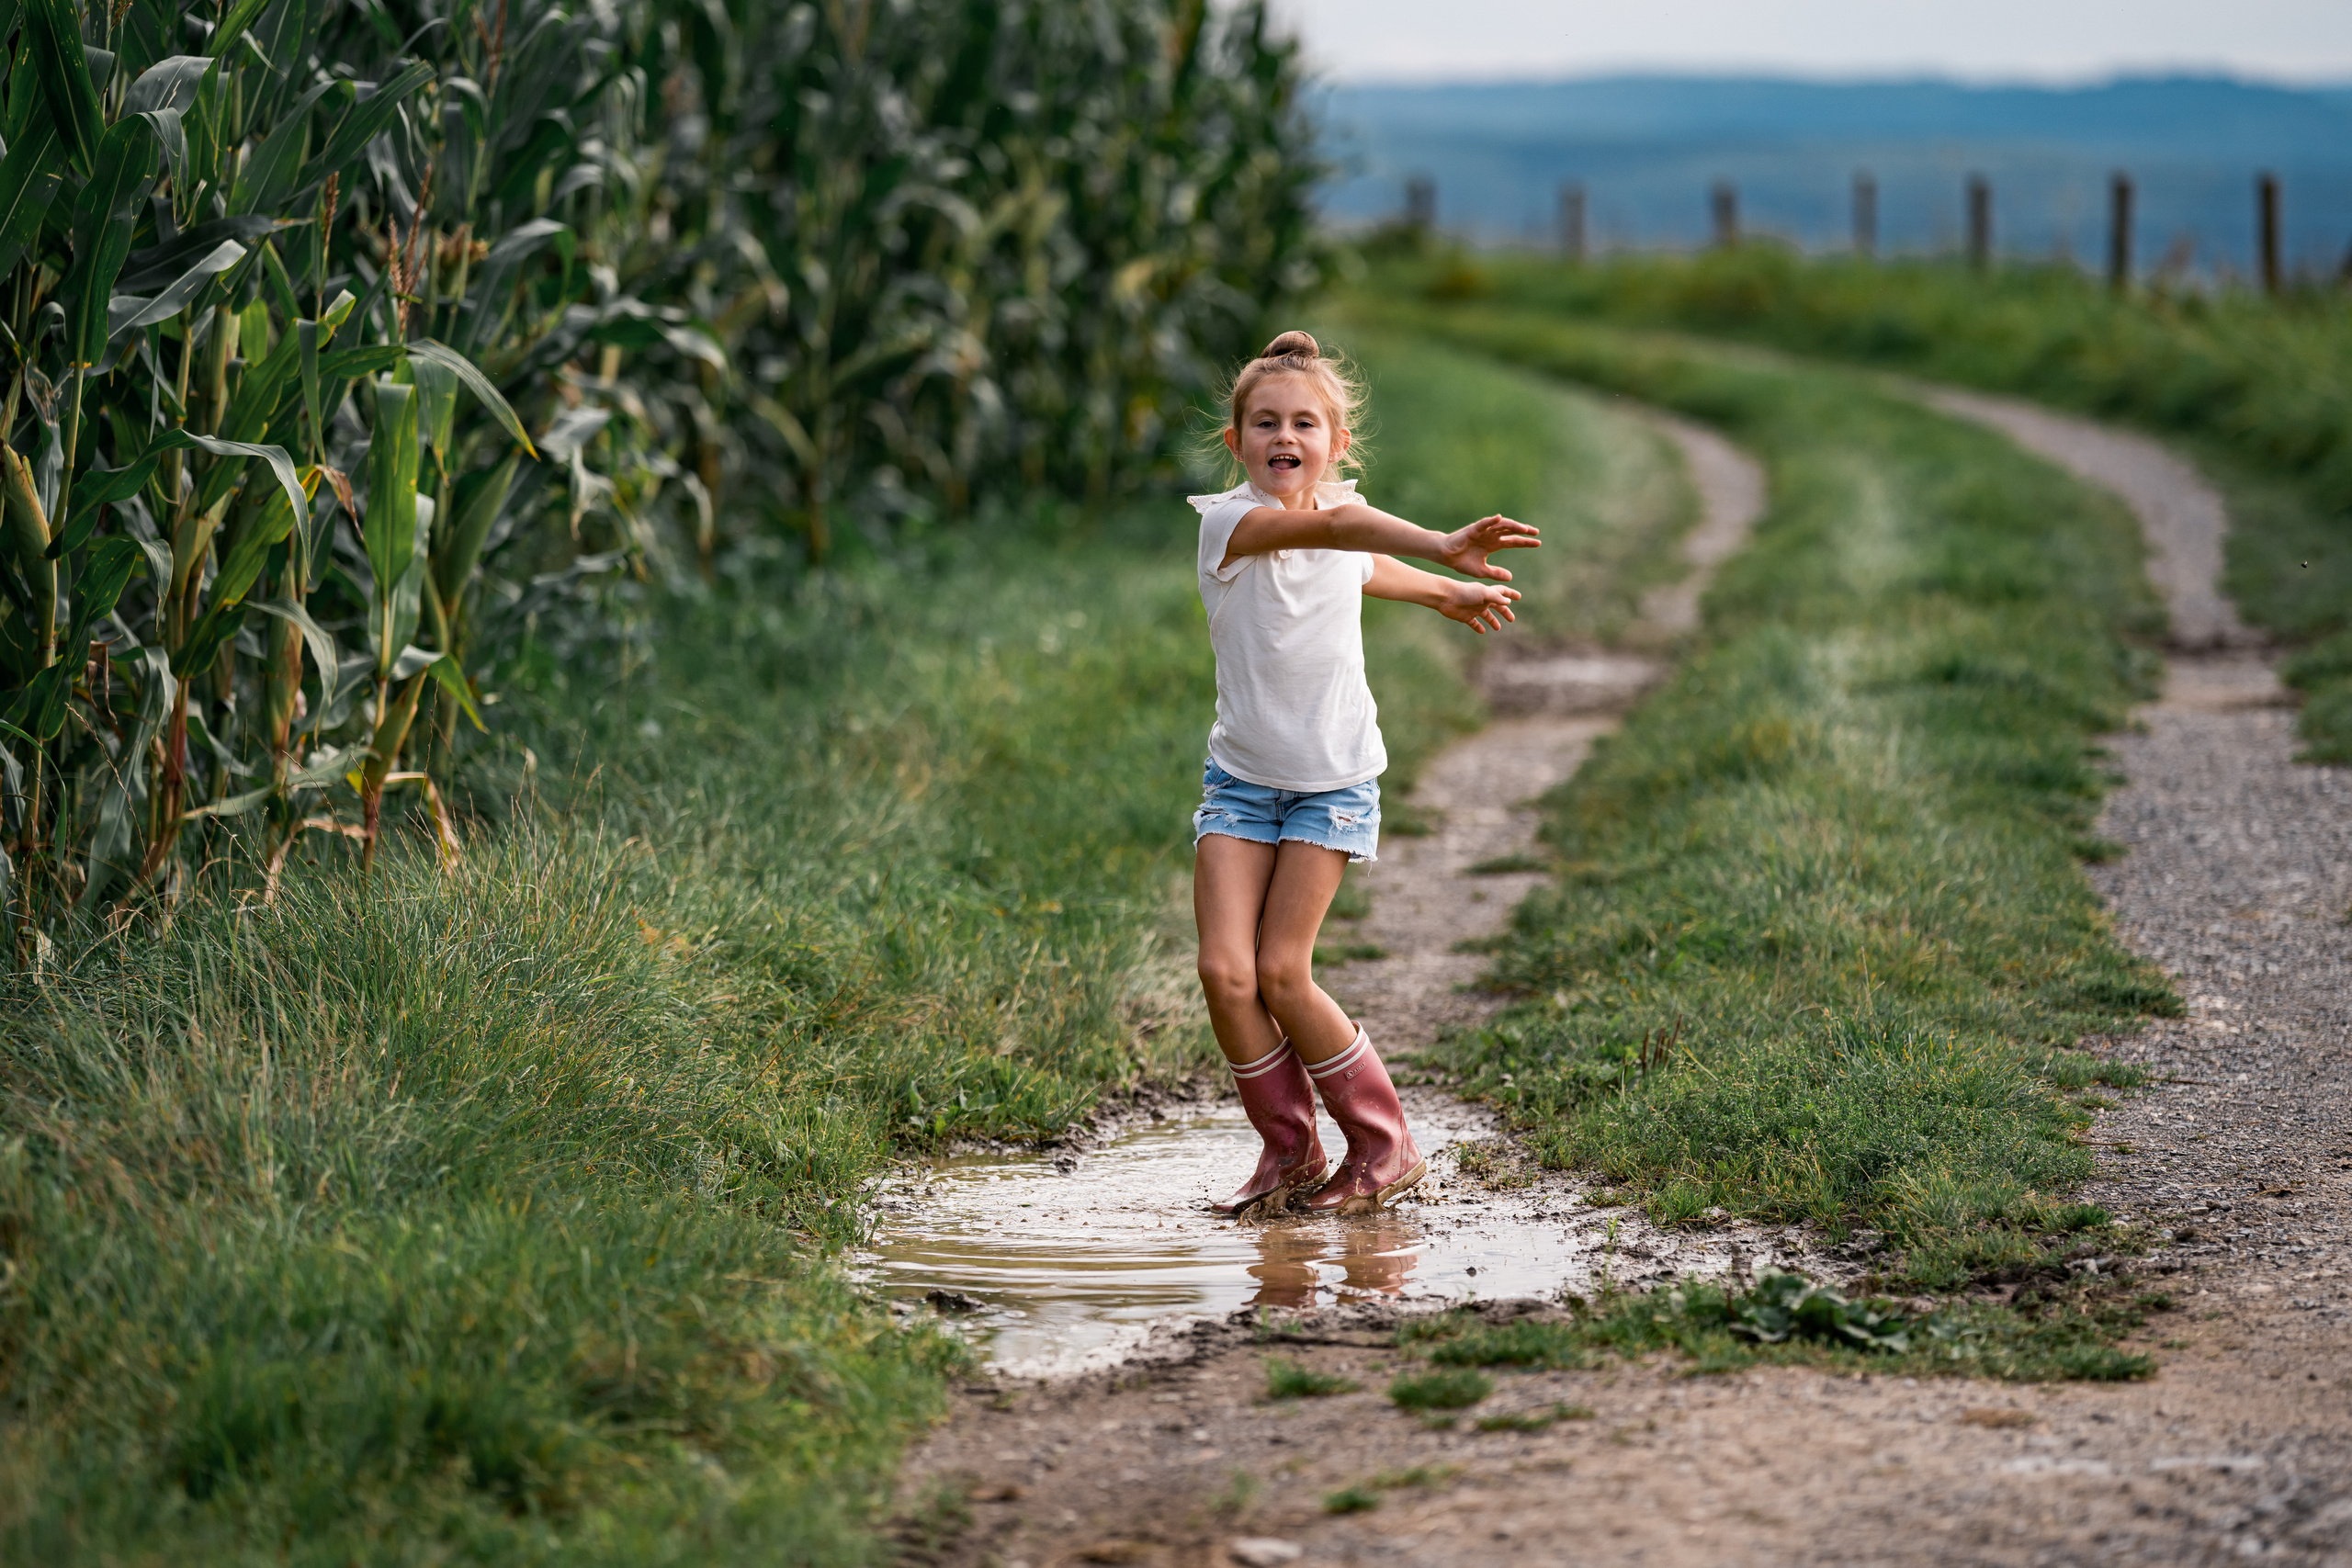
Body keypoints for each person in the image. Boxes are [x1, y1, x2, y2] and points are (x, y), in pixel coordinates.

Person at [1191, 330, 1539, 1219]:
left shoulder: (1335, 522)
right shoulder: (1228, 524)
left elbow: (1356, 559)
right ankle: (1291, 1151)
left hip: (1333, 782)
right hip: (1241, 783)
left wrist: (1445, 590)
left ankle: (1385, 1147)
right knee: (1225, 972)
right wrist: (1443, 544)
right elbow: (1341, 530)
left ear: (1336, 443)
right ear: (1235, 441)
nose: (1284, 436)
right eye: (1265, 422)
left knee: (1282, 971)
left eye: (1304, 423)